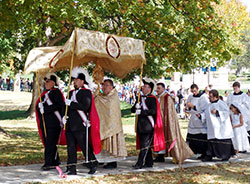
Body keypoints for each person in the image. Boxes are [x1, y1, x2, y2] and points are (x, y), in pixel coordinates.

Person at [63, 67, 101, 175]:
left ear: (82, 81)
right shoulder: (70, 93)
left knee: (84, 146)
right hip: (70, 124)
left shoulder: (86, 93)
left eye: (76, 80)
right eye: (74, 80)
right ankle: (71, 168)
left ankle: (93, 163)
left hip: (80, 124)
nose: (74, 82)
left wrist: (72, 104)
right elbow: (65, 107)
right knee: (70, 147)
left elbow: (85, 106)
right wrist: (63, 116)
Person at [154, 82, 193, 164]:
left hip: (165, 120)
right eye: (157, 88)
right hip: (158, 121)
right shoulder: (157, 97)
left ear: (164, 89)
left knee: (170, 136)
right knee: (160, 138)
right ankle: (160, 156)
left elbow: (170, 111)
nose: (157, 90)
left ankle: (177, 155)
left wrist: (168, 120)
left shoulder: (167, 97)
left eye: (159, 88)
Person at [131, 78, 165, 169]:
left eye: (146, 87)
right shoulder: (140, 98)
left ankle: (139, 163)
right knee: (146, 146)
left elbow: (153, 111)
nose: (144, 88)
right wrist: (136, 107)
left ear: (150, 89)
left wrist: (142, 112)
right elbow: (132, 109)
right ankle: (149, 162)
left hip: (148, 126)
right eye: (143, 86)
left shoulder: (152, 99)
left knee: (144, 146)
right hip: (140, 126)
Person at [94, 79, 127, 169]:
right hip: (102, 123)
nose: (104, 87)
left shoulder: (113, 97)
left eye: (106, 85)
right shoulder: (101, 96)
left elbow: (110, 108)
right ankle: (101, 160)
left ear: (111, 87)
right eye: (103, 85)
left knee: (111, 143)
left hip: (112, 126)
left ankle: (112, 162)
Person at [35, 73, 64, 171]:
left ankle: (49, 163)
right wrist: (40, 108)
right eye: (45, 81)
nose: (46, 83)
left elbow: (59, 105)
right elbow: (39, 107)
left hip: (54, 123)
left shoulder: (57, 92)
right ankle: (55, 160)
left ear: (53, 82)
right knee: (49, 143)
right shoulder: (44, 94)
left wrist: (46, 109)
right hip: (45, 122)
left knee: (50, 143)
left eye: (47, 81)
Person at [201, 90, 235, 161]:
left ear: (215, 97)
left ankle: (225, 156)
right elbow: (205, 114)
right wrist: (200, 116)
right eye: (209, 97)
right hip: (212, 128)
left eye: (211, 97)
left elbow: (226, 113)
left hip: (221, 127)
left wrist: (217, 112)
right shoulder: (209, 105)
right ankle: (209, 155)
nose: (209, 98)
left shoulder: (222, 104)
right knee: (211, 140)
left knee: (222, 141)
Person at [186, 84, 209, 159]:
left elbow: (205, 108)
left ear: (198, 89)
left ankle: (204, 153)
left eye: (195, 91)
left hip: (200, 120)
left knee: (201, 137)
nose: (194, 93)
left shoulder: (203, 97)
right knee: (192, 137)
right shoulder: (190, 96)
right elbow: (187, 107)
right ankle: (193, 151)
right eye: (192, 91)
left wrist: (193, 106)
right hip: (193, 119)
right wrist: (188, 108)